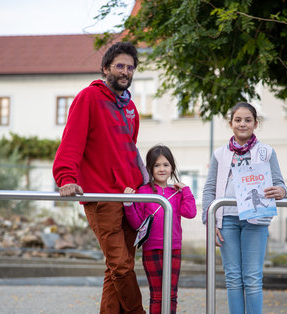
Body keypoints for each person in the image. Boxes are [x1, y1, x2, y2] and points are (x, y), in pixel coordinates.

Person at [53, 42, 148, 314]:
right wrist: (66, 177)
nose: (125, 71)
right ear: (106, 68)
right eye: (120, 66)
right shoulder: (89, 98)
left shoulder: (131, 109)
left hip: (129, 196)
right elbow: (71, 142)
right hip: (101, 196)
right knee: (121, 265)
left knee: (114, 269)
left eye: (130, 67)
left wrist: (146, 186)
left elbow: (130, 153)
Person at [202, 102, 287, 314]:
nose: (243, 124)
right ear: (230, 124)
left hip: (256, 220)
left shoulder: (266, 152)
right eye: (238, 120)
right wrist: (210, 221)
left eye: (248, 120)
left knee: (252, 277)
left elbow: (281, 184)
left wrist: (282, 191)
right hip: (228, 221)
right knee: (233, 277)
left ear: (256, 124)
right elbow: (209, 190)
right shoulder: (220, 154)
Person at [124, 145, 197, 313]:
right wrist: (128, 204)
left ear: (172, 167)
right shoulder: (143, 192)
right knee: (157, 295)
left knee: (171, 294)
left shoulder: (177, 192)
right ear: (150, 168)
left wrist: (186, 191)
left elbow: (190, 212)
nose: (162, 169)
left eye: (165, 164)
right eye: (157, 165)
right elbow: (137, 224)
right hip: (152, 249)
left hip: (174, 248)